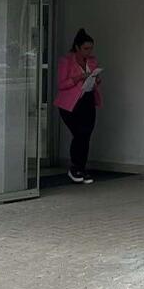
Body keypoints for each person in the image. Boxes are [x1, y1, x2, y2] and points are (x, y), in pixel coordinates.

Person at [55, 28, 102, 184]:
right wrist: (78, 78)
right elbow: (61, 84)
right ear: (77, 47)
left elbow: (94, 80)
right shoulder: (66, 61)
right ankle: (75, 167)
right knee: (79, 134)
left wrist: (96, 80)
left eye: (91, 48)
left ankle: (81, 168)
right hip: (71, 104)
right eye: (85, 49)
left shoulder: (92, 61)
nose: (89, 52)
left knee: (86, 134)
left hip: (87, 100)